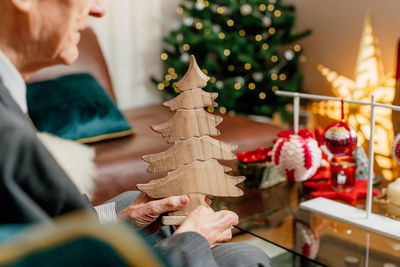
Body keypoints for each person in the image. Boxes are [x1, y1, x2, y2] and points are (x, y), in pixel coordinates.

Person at [0, 0, 272, 266]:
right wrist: (192, 241)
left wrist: (123, 221)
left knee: (137, 204)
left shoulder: (9, 105)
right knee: (246, 258)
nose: (99, 9)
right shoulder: (7, 138)